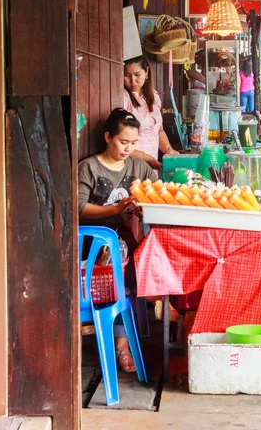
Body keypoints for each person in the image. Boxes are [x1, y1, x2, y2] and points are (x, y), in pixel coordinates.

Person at [79, 108, 158, 373]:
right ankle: (122, 345)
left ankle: (156, 301)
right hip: (94, 241)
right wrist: (114, 210)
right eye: (123, 142)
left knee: (151, 251)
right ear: (107, 137)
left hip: (125, 236)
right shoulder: (89, 167)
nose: (128, 148)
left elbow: (157, 191)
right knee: (120, 272)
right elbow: (79, 209)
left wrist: (143, 207)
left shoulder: (138, 167)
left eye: (133, 143)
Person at [123, 55, 179, 170]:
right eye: (127, 75)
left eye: (137, 75)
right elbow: (119, 140)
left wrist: (168, 149)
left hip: (151, 164)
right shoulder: (123, 97)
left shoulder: (153, 96)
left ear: (147, 71)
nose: (133, 80)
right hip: (131, 165)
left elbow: (159, 130)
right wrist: (144, 157)